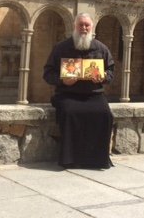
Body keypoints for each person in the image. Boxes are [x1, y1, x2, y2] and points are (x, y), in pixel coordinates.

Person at [43, 12, 114, 169]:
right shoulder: (61, 48)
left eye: (87, 25)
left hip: (93, 95)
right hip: (67, 94)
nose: (84, 28)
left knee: (105, 114)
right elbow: (48, 73)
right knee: (69, 112)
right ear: (74, 26)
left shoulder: (101, 49)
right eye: (80, 25)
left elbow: (111, 72)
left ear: (92, 27)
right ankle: (71, 159)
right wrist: (63, 80)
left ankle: (97, 159)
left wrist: (102, 77)